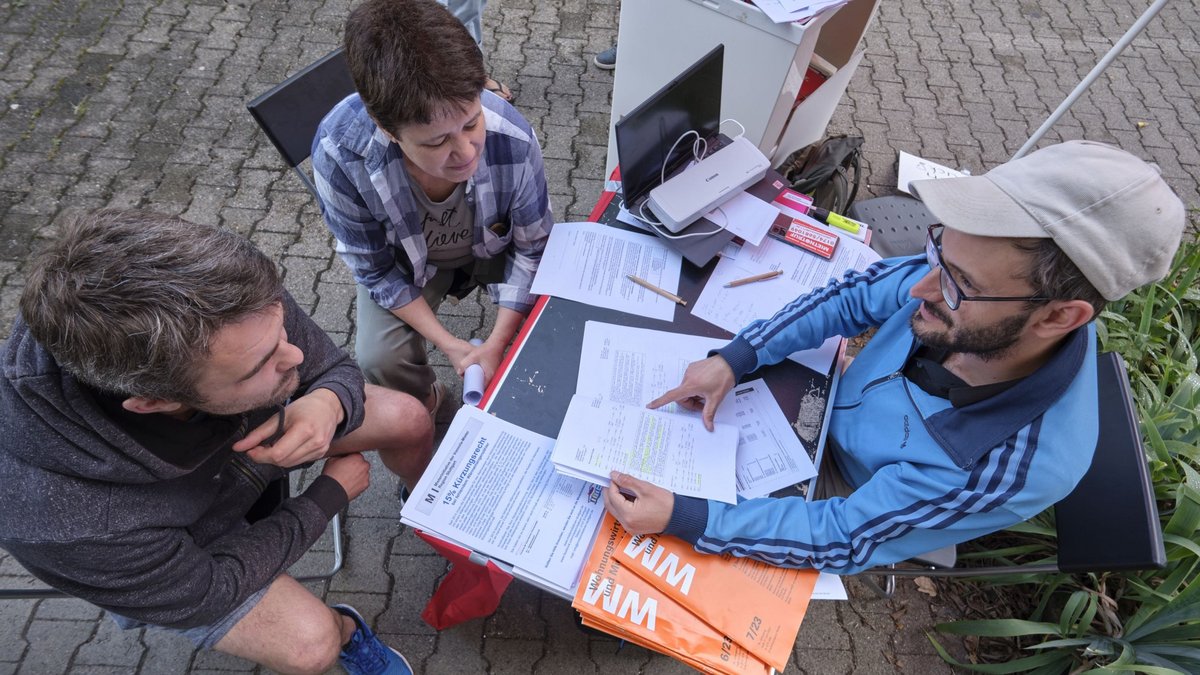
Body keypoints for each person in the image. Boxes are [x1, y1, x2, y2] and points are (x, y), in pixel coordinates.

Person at [604, 140, 1186, 574]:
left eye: (957, 283)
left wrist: (691, 521)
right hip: (829, 408)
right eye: (937, 251)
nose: (920, 289)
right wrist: (739, 355)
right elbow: (855, 295)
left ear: (1057, 317)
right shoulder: (973, 278)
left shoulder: (1003, 468)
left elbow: (843, 537)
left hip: (848, 492)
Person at [0, 210, 432, 675]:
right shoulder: (71, 525)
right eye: (261, 365)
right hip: (185, 542)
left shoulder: (222, 294)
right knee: (310, 647)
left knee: (408, 416)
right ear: (153, 402)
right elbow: (212, 590)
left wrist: (329, 402)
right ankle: (346, 632)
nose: (296, 356)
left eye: (281, 329)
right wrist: (327, 497)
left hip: (233, 447)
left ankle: (427, 510)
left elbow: (328, 367)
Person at [313, 0, 553, 415]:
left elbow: (534, 249)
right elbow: (375, 269)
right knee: (379, 359)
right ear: (385, 127)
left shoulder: (511, 134)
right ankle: (428, 411)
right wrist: (451, 345)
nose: (465, 152)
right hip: (407, 264)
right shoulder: (338, 154)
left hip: (499, 249)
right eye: (436, 141)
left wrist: (495, 344)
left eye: (471, 122)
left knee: (550, 331)